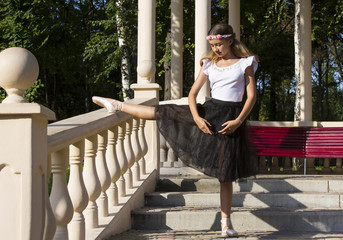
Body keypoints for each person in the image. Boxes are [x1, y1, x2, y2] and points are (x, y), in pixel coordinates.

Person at [92, 22, 258, 237]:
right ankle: (118, 104)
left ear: (230, 40)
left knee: (225, 175)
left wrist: (238, 121)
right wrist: (197, 118)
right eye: (214, 45)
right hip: (209, 113)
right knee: (165, 112)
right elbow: (191, 95)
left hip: (231, 120)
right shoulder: (209, 64)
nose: (216, 49)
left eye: (220, 45)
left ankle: (225, 224)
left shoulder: (245, 63)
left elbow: (251, 96)